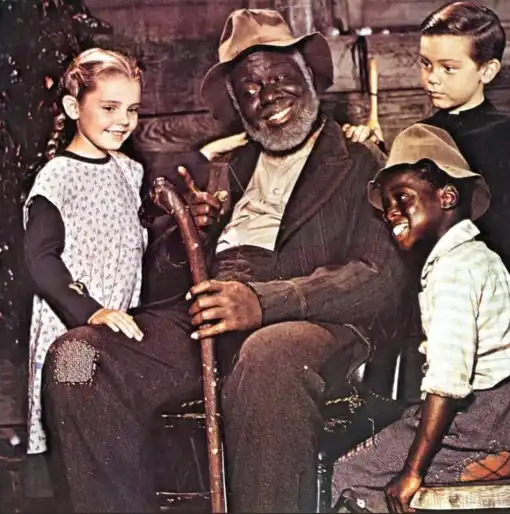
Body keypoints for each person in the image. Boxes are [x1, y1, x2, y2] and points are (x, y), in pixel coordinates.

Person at [42, 8, 410, 513]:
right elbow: (157, 288)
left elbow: (378, 276)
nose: (268, 95)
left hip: (309, 324)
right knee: (78, 356)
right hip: (207, 321)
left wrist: (262, 302)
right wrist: (186, 237)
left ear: (309, 77)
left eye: (280, 77)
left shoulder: (361, 161)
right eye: (250, 89)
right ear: (237, 104)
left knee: (269, 355)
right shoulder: (222, 167)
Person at [331, 123, 510, 513]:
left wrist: (412, 471)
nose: (391, 212)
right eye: (386, 204)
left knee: (349, 474)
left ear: (447, 196)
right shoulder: (473, 257)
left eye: (403, 197)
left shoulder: (454, 270)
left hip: (485, 430)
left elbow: (448, 382)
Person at [350, 2, 510, 328]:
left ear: (487, 70)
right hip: (423, 298)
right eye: (426, 64)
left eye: (449, 68)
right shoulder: (420, 136)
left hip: (488, 305)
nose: (432, 79)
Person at [23, 48, 146, 456]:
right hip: (71, 331)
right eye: (109, 107)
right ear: (74, 107)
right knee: (79, 436)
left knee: (114, 436)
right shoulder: (58, 177)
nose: (123, 120)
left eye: (132, 109)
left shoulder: (129, 171)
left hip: (117, 330)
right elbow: (40, 259)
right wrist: (90, 311)